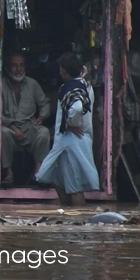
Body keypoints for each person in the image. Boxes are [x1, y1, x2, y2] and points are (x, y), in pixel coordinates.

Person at [36, 53, 99, 206]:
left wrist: (71, 123)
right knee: (57, 179)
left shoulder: (71, 87)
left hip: (71, 143)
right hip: (71, 143)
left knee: (74, 189)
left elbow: (76, 108)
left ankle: (79, 219)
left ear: (63, 71)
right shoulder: (85, 85)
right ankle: (67, 216)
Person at [0, 51, 51, 187]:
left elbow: (45, 103)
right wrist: (14, 128)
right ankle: (8, 173)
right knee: (2, 133)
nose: (18, 69)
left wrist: (41, 117)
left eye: (21, 65)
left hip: (29, 127)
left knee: (43, 132)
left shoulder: (32, 84)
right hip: (10, 129)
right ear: (7, 68)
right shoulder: (0, 85)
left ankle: (38, 173)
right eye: (14, 66)